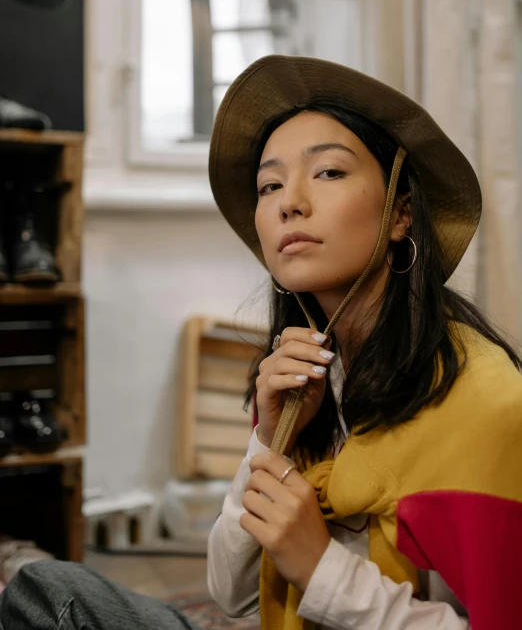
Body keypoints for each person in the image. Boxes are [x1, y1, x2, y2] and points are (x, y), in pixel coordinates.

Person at [0, 55, 521, 630]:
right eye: (269, 184)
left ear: (401, 214)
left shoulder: (486, 403)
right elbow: (235, 596)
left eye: (327, 173)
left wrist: (321, 567)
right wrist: (269, 443)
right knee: (45, 588)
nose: (288, 202)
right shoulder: (312, 376)